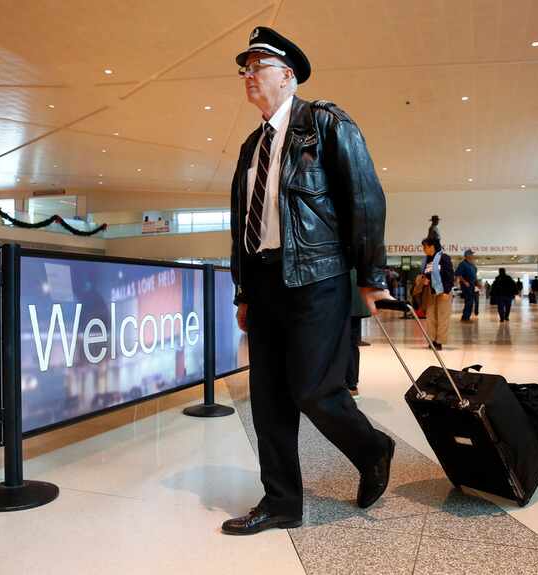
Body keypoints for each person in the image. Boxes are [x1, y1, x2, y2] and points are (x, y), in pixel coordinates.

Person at [223, 26, 395, 536]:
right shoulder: (251, 147)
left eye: (259, 66)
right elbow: (242, 226)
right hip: (264, 281)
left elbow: (365, 200)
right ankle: (281, 502)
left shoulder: (325, 124)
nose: (249, 75)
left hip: (316, 278)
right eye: (245, 68)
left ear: (288, 75)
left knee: (316, 391)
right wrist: (243, 291)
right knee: (267, 398)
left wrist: (371, 276)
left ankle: (373, 449)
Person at [416, 237, 454, 349]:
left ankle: (439, 341)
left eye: (425, 246)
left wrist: (447, 291)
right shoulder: (426, 260)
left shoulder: (444, 258)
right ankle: (431, 340)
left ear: (432, 246)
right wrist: (424, 279)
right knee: (430, 317)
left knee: (442, 317)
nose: (423, 249)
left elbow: (449, 275)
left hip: (443, 292)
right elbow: (426, 273)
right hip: (430, 292)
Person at [346, 269, 370, 396]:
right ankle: (352, 383)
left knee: (347, 344)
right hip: (356, 302)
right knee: (352, 344)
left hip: (344, 303)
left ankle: (349, 383)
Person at [455, 249, 478, 322]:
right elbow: (458, 274)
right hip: (466, 286)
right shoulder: (463, 264)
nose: (472, 256)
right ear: (467, 256)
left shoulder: (472, 265)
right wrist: (465, 282)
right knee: (469, 301)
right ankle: (465, 318)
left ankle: (467, 317)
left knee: (471, 301)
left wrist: (477, 283)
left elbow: (474, 276)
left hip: (472, 285)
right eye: (471, 254)